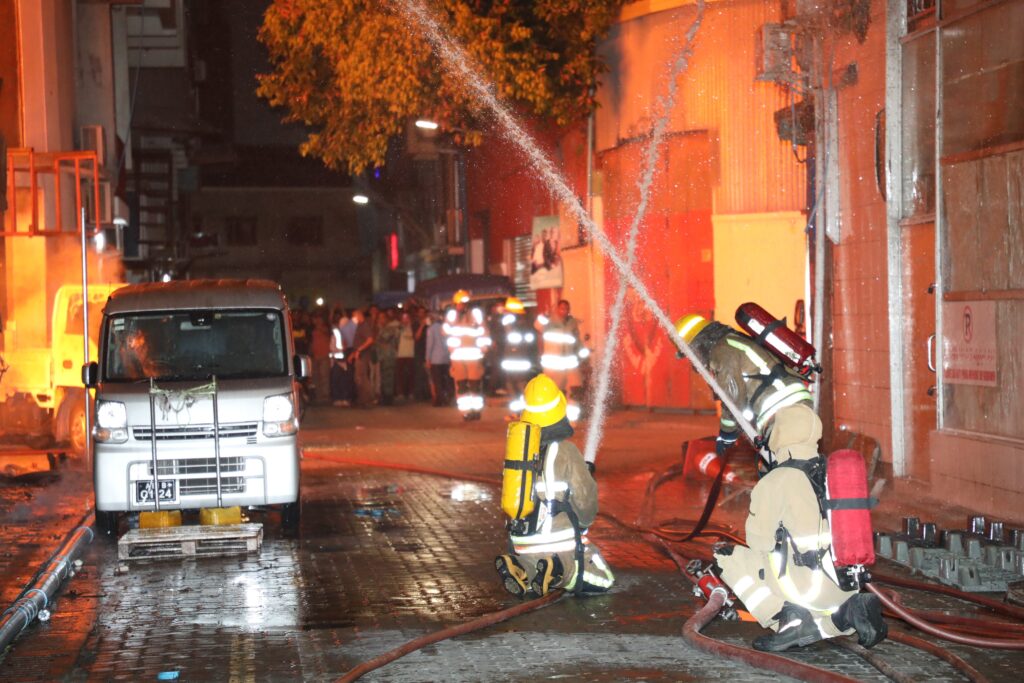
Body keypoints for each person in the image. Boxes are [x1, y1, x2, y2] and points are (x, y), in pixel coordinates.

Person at [674, 313, 886, 652]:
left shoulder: (776, 482)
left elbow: (758, 543)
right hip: (840, 584)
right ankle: (847, 612)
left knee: (731, 557)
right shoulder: (830, 471)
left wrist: (728, 433)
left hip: (805, 589)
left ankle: (786, 620)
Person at [495, 375, 614, 597]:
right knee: (603, 578)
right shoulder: (566, 452)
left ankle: (520, 567)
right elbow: (586, 499)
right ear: (560, 410)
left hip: (522, 544)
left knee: (533, 576)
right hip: (557, 543)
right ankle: (560, 569)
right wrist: (584, 523)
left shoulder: (518, 452)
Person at [535, 299, 586, 421]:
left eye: (566, 309)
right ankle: (555, 417)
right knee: (555, 393)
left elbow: (577, 341)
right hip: (554, 367)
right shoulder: (549, 323)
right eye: (562, 308)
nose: (564, 311)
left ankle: (572, 418)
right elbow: (537, 325)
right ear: (557, 309)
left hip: (570, 364)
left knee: (575, 390)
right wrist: (545, 315)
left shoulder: (572, 323)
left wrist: (584, 356)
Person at [442, 290, 490, 420]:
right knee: (462, 386)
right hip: (458, 357)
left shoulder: (476, 314)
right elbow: (445, 331)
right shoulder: (451, 316)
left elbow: (484, 332)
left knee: (474, 385)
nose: (461, 306)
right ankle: (466, 412)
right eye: (459, 304)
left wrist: (483, 349)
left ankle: (476, 411)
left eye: (463, 303)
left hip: (474, 356)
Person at [499, 296, 538, 412]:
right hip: (517, 360)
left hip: (516, 361)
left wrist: (507, 314)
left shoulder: (514, 324)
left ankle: (522, 410)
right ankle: (520, 411)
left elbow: (508, 331)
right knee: (517, 386)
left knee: (517, 386)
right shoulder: (524, 324)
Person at [348, 308, 375, 409]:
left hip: (363, 356)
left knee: (361, 377)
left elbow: (370, 340)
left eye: (354, 316)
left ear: (359, 315)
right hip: (359, 355)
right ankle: (363, 399)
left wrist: (359, 350)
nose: (353, 319)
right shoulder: (359, 326)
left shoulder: (364, 326)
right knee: (360, 377)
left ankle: (366, 400)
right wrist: (353, 353)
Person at [425, 311, 452, 407]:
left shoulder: (431, 329)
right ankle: (447, 398)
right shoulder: (446, 328)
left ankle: (439, 399)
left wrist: (427, 359)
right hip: (446, 358)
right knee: (446, 380)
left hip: (435, 359)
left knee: (437, 381)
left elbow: (429, 345)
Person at [376, 309, 401, 406]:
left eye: (382, 318)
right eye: (379, 318)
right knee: (384, 378)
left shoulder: (390, 329)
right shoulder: (383, 329)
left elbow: (383, 340)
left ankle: (388, 398)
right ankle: (385, 397)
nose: (380, 320)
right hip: (383, 356)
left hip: (389, 356)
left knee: (388, 378)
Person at [395, 310, 416, 402]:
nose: (405, 320)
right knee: (400, 375)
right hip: (400, 354)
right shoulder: (399, 328)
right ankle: (400, 393)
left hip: (411, 354)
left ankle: (410, 393)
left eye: (407, 318)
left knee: (411, 375)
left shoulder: (413, 327)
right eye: (403, 318)